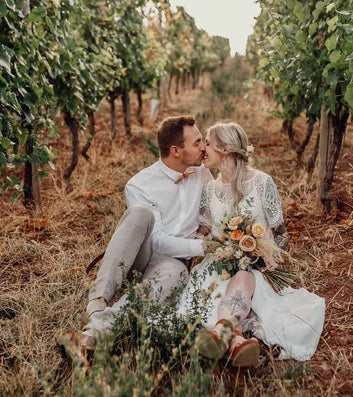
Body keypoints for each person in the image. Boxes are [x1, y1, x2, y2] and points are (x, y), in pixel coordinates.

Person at [60, 115, 212, 363]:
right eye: (197, 143)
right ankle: (97, 300)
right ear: (175, 150)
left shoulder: (203, 175)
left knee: (176, 274)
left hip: (171, 263)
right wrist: (203, 246)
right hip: (142, 255)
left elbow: (211, 215)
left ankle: (94, 333)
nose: (203, 147)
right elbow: (159, 241)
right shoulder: (139, 184)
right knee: (139, 214)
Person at [177, 122, 325, 367]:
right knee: (219, 289)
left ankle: (223, 336)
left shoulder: (262, 182)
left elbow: (281, 232)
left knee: (243, 275)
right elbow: (201, 233)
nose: (204, 149)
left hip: (256, 267)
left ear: (225, 149)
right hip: (217, 266)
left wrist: (270, 256)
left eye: (209, 144)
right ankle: (234, 343)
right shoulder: (209, 188)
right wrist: (208, 248)